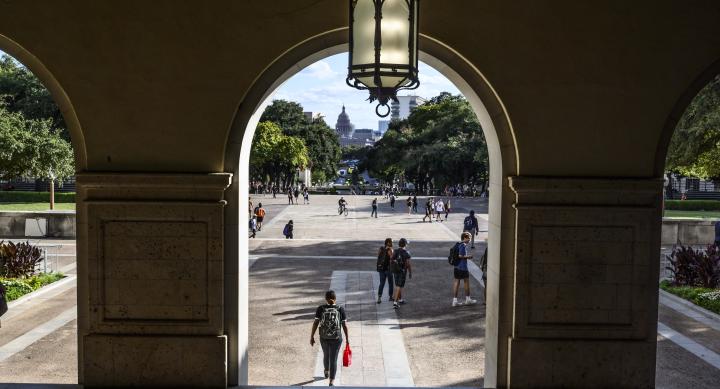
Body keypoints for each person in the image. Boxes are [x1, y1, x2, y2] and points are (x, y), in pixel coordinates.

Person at [310, 290, 349, 387]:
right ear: (335, 298)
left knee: (326, 354)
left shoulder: (321, 308)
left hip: (324, 337)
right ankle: (331, 381)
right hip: (336, 338)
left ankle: (326, 371)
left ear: (325, 299)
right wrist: (347, 339)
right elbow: (344, 325)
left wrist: (312, 336)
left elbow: (315, 323)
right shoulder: (340, 309)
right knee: (334, 359)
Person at [452, 232, 478, 306]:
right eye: (469, 238)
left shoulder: (458, 244)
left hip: (456, 266)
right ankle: (468, 299)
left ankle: (455, 301)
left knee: (456, 282)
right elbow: (460, 256)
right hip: (462, 267)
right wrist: (468, 257)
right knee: (466, 282)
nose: (470, 240)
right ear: (465, 238)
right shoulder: (463, 245)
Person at [391, 238, 412, 309]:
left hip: (395, 270)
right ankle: (395, 302)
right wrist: (410, 272)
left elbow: (392, 259)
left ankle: (400, 299)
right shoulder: (406, 253)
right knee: (399, 286)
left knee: (397, 285)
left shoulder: (395, 251)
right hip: (402, 272)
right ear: (405, 244)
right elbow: (408, 264)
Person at [376, 238, 394, 303]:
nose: (392, 243)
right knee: (390, 283)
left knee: (382, 283)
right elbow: (392, 258)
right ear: (388, 243)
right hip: (388, 269)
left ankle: (379, 298)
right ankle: (391, 297)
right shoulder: (390, 249)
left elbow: (378, 256)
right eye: (392, 242)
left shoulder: (381, 248)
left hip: (381, 269)